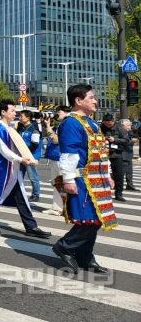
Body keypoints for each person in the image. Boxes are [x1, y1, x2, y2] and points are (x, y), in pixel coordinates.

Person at [53, 84, 117, 274]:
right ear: (78, 101)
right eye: (91, 97)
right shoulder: (71, 122)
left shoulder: (91, 122)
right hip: (82, 180)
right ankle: (64, 246)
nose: (95, 101)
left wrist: (107, 175)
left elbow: (101, 153)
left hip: (97, 180)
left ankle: (85, 256)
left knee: (95, 220)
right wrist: (68, 179)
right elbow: (68, 153)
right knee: (90, 219)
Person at [0, 99, 51, 239]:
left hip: (11, 168)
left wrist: (23, 158)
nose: (15, 113)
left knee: (21, 198)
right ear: (3, 112)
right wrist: (21, 159)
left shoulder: (8, 127)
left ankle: (31, 226)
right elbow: (3, 150)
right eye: (12, 111)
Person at [41, 105, 70, 215]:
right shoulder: (60, 125)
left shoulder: (67, 125)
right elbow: (45, 135)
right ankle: (57, 207)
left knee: (62, 184)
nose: (56, 114)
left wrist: (48, 128)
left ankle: (63, 208)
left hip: (61, 158)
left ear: (66, 112)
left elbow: (56, 140)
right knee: (57, 184)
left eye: (59, 112)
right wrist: (46, 125)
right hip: (55, 157)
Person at [100, 113, 127, 202]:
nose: (108, 124)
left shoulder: (119, 128)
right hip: (103, 154)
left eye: (110, 122)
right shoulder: (100, 128)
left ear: (113, 121)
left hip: (116, 154)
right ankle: (103, 192)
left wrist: (115, 140)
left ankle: (119, 194)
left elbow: (126, 140)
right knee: (102, 174)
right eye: (106, 122)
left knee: (119, 175)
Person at [17, 110, 42, 202]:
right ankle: (18, 193)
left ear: (28, 118)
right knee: (19, 175)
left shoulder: (34, 129)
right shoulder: (21, 128)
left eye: (21, 116)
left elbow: (35, 144)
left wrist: (26, 153)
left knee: (32, 176)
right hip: (22, 156)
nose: (20, 118)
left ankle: (36, 195)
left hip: (31, 156)